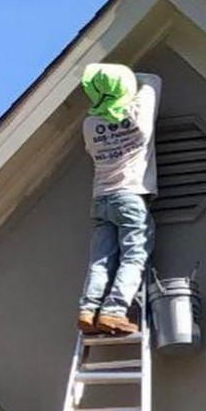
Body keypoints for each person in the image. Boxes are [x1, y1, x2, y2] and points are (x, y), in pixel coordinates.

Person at [77, 63, 162, 337]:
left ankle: (88, 311)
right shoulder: (138, 114)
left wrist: (103, 88)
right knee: (134, 256)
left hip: (101, 198)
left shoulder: (90, 124)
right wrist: (127, 79)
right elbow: (152, 78)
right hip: (130, 196)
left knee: (101, 259)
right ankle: (114, 312)